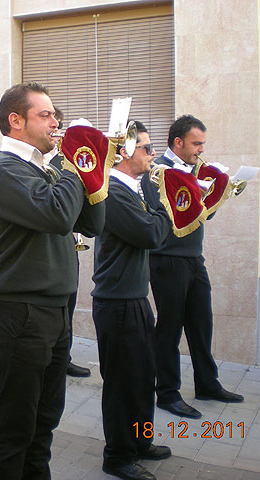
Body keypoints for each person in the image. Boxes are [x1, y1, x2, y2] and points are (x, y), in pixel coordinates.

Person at [0, 82, 105, 480]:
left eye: (56, 115)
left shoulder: (42, 168)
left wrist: (92, 168)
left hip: (52, 309)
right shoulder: (3, 169)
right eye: (46, 115)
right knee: (17, 427)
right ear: (16, 121)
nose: (56, 122)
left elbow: (91, 223)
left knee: (44, 421)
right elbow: (57, 216)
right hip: (19, 312)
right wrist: (72, 161)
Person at [140, 115, 244, 419]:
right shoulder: (157, 170)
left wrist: (217, 193)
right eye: (196, 143)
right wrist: (192, 195)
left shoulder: (197, 170)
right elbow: (159, 212)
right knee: (170, 327)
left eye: (202, 144)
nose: (201, 149)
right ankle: (167, 393)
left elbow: (202, 215)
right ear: (178, 142)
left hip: (193, 257)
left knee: (201, 322)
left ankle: (207, 384)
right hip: (166, 258)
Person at [92, 121, 172, 480]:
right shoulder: (114, 191)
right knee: (123, 384)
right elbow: (151, 234)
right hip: (117, 303)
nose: (153, 155)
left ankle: (140, 441)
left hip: (133, 299)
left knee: (142, 378)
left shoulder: (133, 189)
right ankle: (118, 456)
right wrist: (169, 201)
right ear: (125, 152)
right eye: (146, 148)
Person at [48, 113, 91, 378]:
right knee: (59, 308)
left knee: (70, 306)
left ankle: (64, 356)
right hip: (56, 244)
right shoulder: (54, 163)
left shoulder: (77, 162)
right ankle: (55, 359)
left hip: (70, 243)